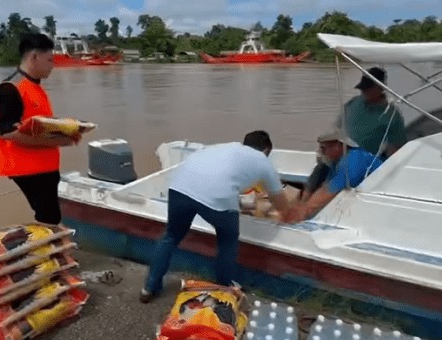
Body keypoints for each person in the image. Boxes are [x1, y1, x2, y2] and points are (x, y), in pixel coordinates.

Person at [140, 131, 291, 303]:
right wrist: (289, 214)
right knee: (228, 239)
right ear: (266, 150)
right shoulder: (263, 161)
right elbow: (280, 202)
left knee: (171, 236)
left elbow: (222, 177)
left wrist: (237, 202)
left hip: (179, 188)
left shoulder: (226, 147)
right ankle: (224, 285)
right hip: (216, 197)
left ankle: (149, 288)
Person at [0, 33, 78, 226]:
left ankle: (45, 250)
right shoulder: (9, 88)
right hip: (25, 165)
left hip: (43, 162)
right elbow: (8, 132)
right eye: (49, 60)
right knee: (49, 215)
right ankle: (42, 251)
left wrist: (66, 132)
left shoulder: (35, 88)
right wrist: (58, 141)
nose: (52, 65)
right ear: (34, 57)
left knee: (49, 214)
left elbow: (37, 124)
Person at [301, 66, 406, 202]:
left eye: (368, 88)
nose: (364, 91)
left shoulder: (392, 115)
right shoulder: (353, 104)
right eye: (362, 88)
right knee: (321, 168)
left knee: (336, 185)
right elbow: (336, 129)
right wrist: (325, 148)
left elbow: (395, 148)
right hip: (339, 153)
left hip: (363, 161)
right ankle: (304, 200)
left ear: (381, 87)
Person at [283, 131, 383, 223]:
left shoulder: (354, 159)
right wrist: (301, 203)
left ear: (338, 146)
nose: (321, 152)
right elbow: (313, 181)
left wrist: (302, 212)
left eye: (323, 148)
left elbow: (329, 190)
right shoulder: (334, 160)